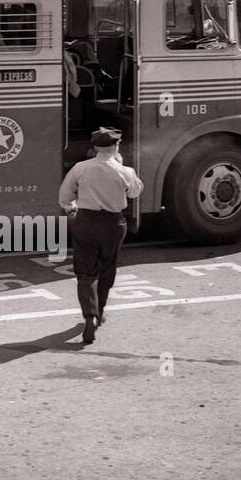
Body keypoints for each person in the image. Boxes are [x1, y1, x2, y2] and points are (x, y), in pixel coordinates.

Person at [58, 127, 144, 345]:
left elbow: (65, 196)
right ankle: (101, 312)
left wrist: (71, 209)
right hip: (114, 224)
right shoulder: (126, 171)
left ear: (94, 147)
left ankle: (90, 315)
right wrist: (121, 164)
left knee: (86, 273)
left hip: (86, 221)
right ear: (116, 146)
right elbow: (135, 192)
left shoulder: (81, 168)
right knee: (107, 269)